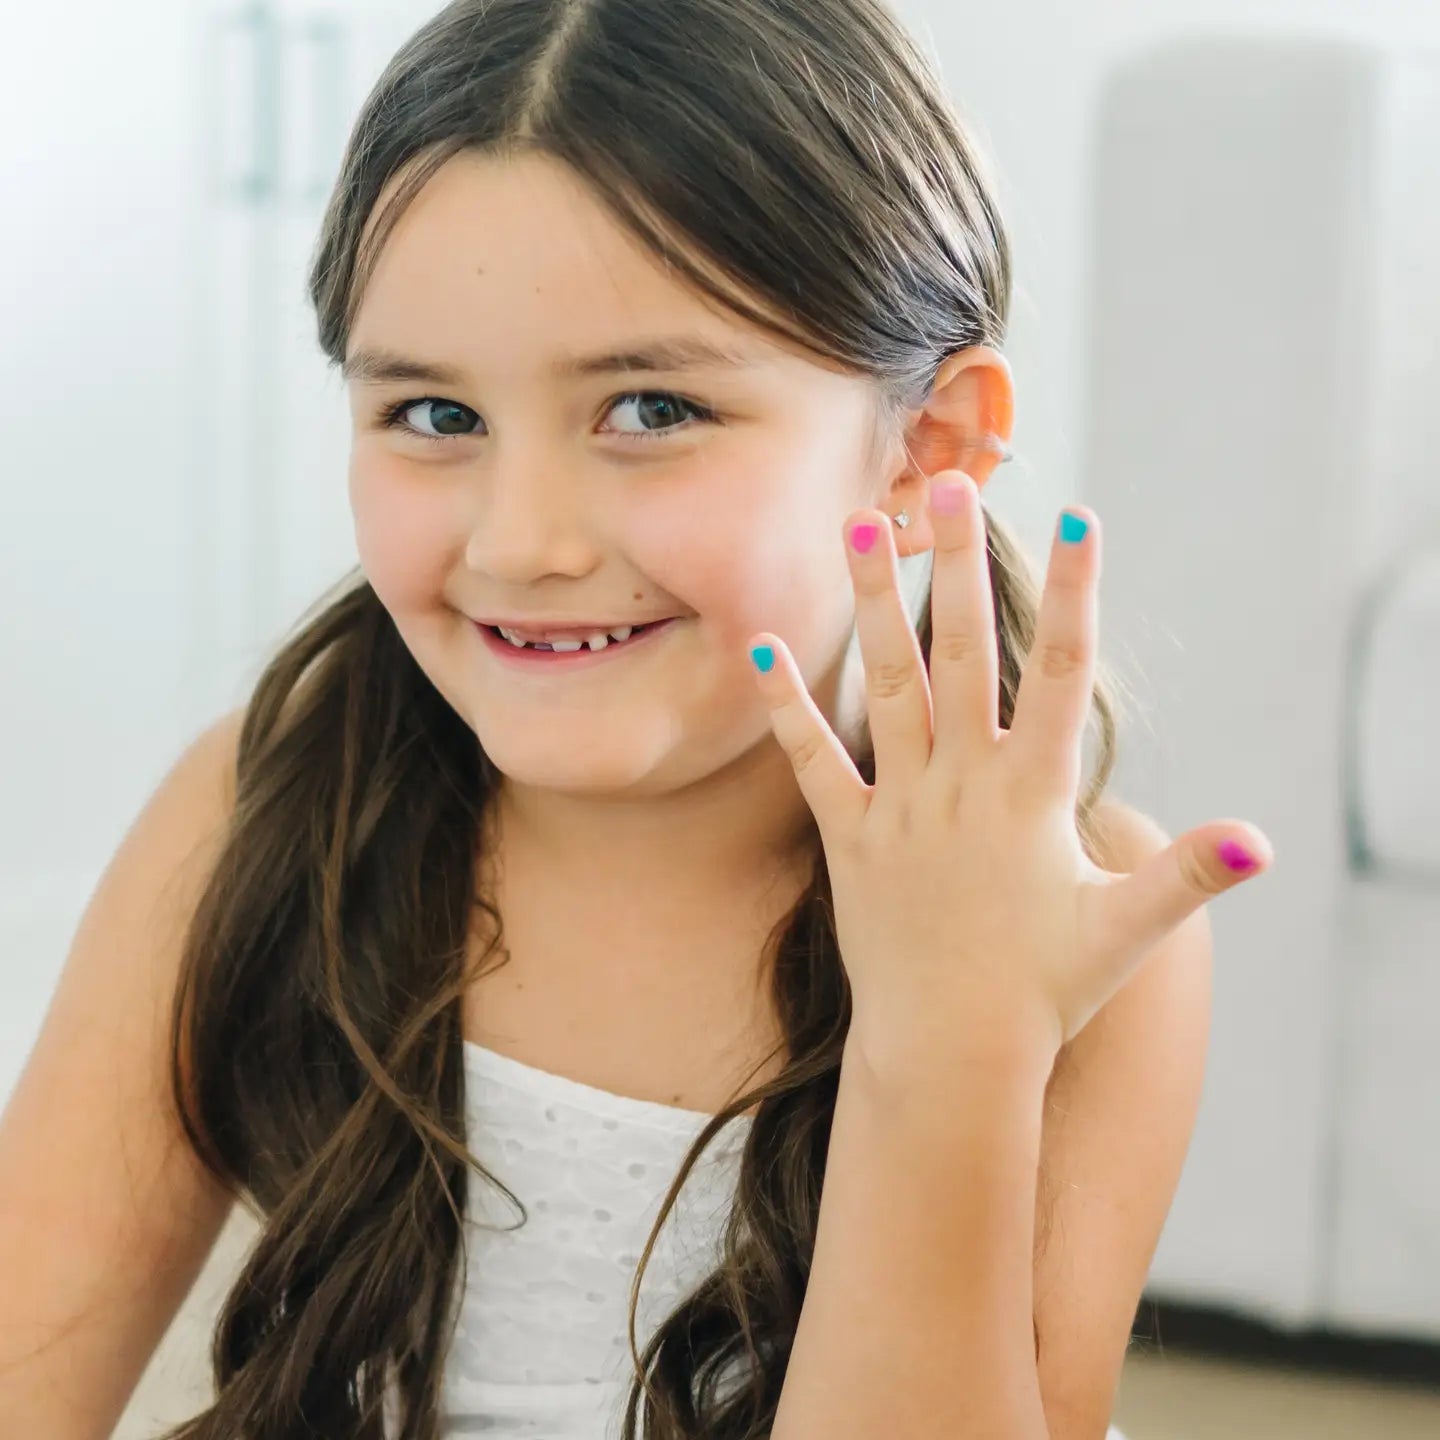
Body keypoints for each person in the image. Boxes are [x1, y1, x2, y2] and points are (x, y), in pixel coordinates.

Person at [0, 0, 1273, 1436]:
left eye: (653, 409)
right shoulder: (271, 801)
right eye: (433, 416)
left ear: (925, 449)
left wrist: (951, 1034)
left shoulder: (1076, 914)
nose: (525, 541)